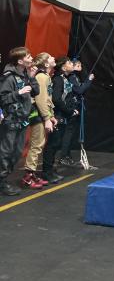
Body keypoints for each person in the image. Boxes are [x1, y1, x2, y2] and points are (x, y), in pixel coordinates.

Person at [0, 47, 39, 196]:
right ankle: (2, 181)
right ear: (20, 61)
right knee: (6, 152)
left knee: (17, 153)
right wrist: (18, 92)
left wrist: (32, 77)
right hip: (11, 120)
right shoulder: (9, 77)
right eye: (28, 56)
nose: (31, 58)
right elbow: (3, 98)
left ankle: (4, 178)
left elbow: (36, 91)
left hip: (22, 119)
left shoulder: (25, 75)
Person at [22, 53, 57, 189]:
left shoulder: (46, 76)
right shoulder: (42, 77)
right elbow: (41, 99)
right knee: (36, 145)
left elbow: (48, 99)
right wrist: (47, 118)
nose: (53, 58)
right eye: (50, 57)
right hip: (37, 114)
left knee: (39, 144)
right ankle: (28, 176)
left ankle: (32, 174)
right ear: (46, 64)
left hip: (42, 114)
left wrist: (51, 115)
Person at [42, 56, 77, 183]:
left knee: (56, 144)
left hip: (63, 115)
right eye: (69, 62)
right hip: (57, 115)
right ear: (63, 67)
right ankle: (46, 172)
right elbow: (56, 99)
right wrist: (69, 111)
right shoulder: (58, 79)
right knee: (53, 144)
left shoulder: (65, 79)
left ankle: (50, 170)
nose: (72, 64)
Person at [59, 59, 94, 167]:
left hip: (73, 107)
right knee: (68, 132)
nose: (80, 67)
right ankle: (64, 156)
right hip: (71, 107)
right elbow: (79, 90)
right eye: (77, 65)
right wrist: (89, 80)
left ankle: (66, 155)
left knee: (70, 132)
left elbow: (79, 88)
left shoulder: (74, 77)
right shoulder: (71, 77)